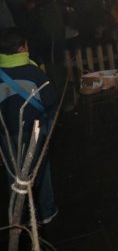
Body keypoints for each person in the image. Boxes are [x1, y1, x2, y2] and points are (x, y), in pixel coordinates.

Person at [0, 27, 59, 225]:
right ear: (20, 48)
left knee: (14, 175)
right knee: (40, 170)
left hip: (7, 133)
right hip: (35, 130)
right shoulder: (33, 71)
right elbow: (51, 100)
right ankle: (45, 212)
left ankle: (20, 216)